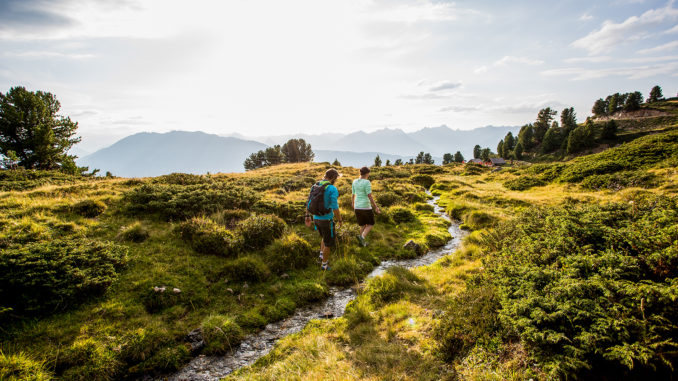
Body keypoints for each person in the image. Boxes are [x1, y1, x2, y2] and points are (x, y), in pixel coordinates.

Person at [305, 168, 342, 271]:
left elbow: (308, 202)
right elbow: (335, 207)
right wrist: (340, 220)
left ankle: (321, 257)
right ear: (334, 178)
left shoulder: (315, 185)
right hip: (327, 219)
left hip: (316, 218)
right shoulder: (332, 188)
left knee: (324, 237)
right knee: (328, 243)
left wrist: (307, 216)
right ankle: (324, 265)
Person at [352, 166, 380, 247]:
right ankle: (362, 237)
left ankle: (361, 243)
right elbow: (369, 196)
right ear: (367, 173)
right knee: (371, 223)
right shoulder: (367, 182)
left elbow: (353, 194)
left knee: (363, 225)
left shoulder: (354, 181)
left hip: (357, 206)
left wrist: (353, 204)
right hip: (365, 206)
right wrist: (376, 207)